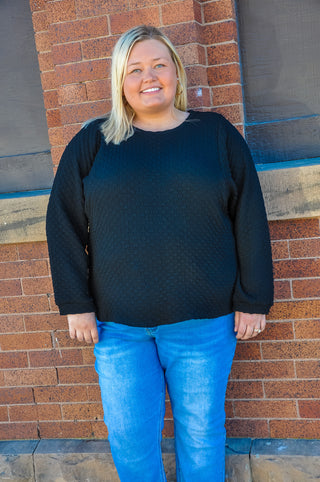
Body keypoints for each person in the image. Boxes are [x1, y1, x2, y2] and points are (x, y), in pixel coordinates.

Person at [46, 25, 273, 482]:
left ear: (176, 72)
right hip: (118, 330)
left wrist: (254, 299)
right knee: (129, 438)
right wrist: (76, 305)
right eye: (135, 69)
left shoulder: (215, 134)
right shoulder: (94, 142)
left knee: (203, 434)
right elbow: (63, 223)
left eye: (158, 65)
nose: (148, 77)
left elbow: (249, 216)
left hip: (204, 327)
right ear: (120, 81)